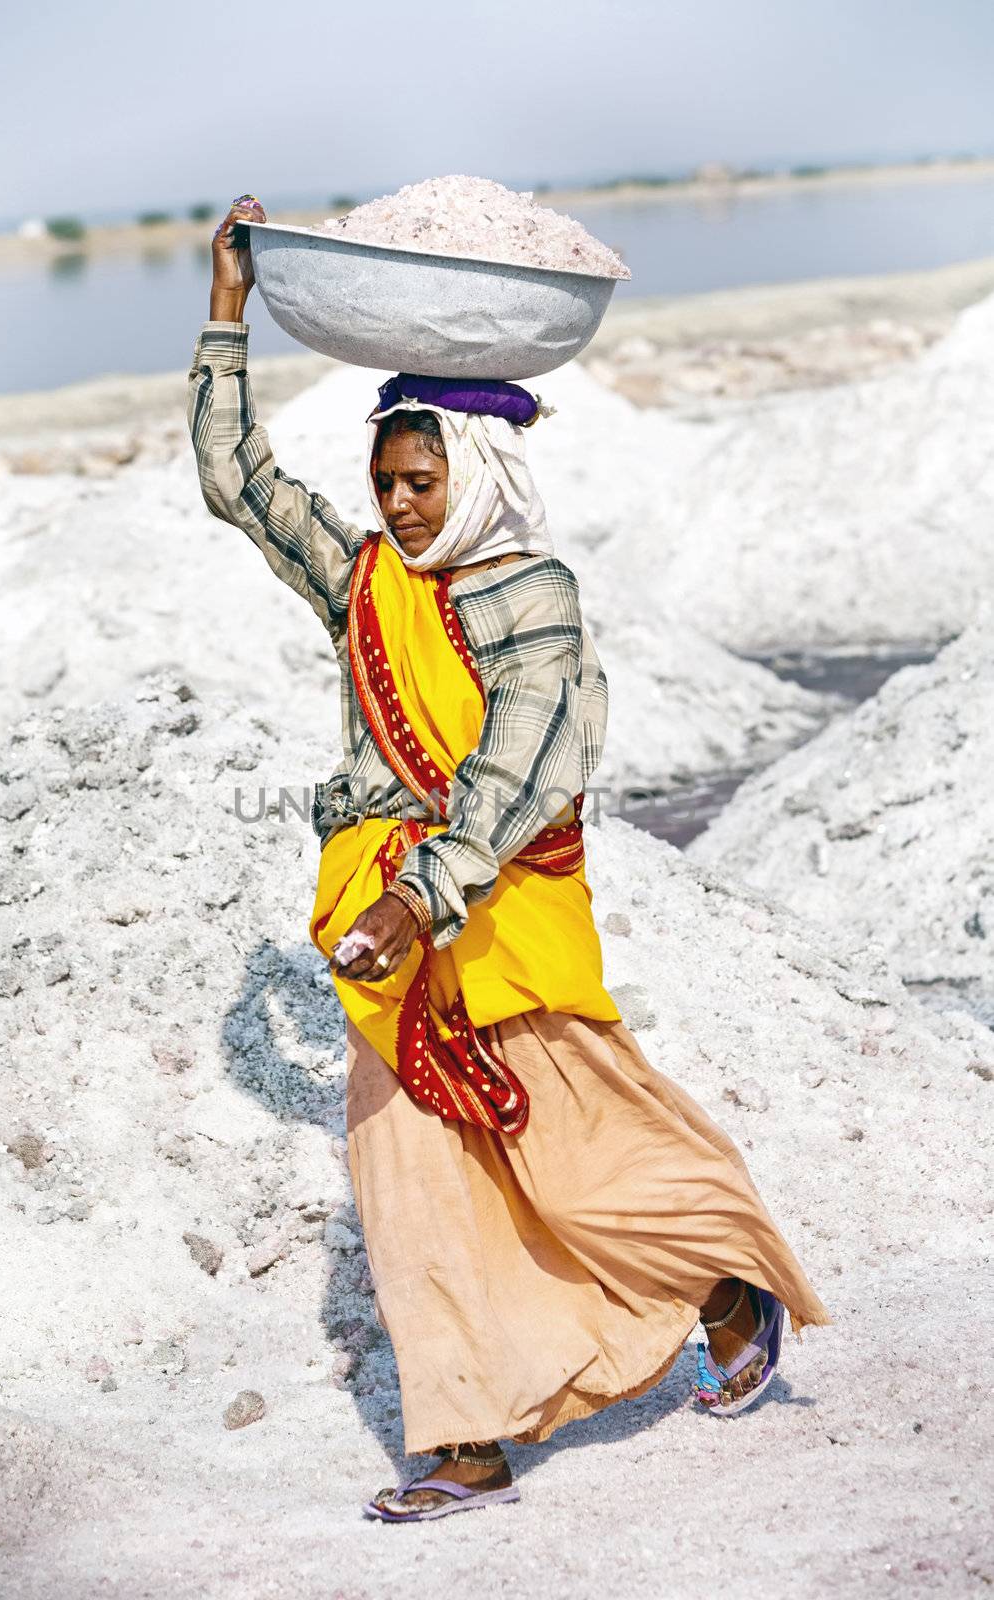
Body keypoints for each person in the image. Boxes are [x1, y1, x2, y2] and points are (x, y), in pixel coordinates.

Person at [188, 196, 832, 1523]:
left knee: (584, 1164)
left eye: (421, 484)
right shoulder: (370, 584)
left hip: (499, 930)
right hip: (389, 946)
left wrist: (420, 900)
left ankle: (723, 1290)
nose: (401, 506)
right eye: (386, 484)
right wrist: (226, 314)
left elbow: (520, 775)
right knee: (412, 1188)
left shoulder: (538, 602)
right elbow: (239, 486)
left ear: (477, 472)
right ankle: (469, 1438)